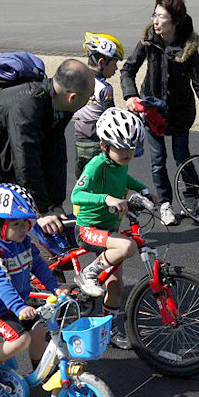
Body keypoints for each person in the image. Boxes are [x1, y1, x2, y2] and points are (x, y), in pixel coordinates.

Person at [0, 58, 93, 336]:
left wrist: (54, 204)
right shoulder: (27, 104)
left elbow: (55, 156)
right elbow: (25, 157)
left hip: (0, 162)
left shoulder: (60, 106)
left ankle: (9, 301)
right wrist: (40, 209)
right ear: (74, 97)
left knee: (14, 236)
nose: (88, 103)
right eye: (87, 99)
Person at [121, 0, 199, 226]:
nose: (155, 21)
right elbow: (128, 69)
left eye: (161, 16)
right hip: (152, 111)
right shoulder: (149, 42)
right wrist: (131, 96)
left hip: (180, 113)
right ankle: (165, 204)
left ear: (175, 21)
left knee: (182, 158)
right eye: (154, 15)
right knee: (158, 160)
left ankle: (191, 198)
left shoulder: (189, 50)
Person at [72, 108, 157, 349]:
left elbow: (124, 180)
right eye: (120, 148)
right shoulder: (96, 165)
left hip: (108, 229)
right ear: (103, 145)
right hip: (88, 228)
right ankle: (87, 274)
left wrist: (142, 189)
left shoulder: (119, 163)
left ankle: (108, 329)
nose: (127, 153)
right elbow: (77, 194)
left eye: (131, 148)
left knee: (116, 286)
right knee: (127, 245)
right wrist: (106, 199)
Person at [0, 183, 62, 394]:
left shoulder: (23, 242)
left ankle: (41, 368)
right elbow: (0, 283)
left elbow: (38, 265)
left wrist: (55, 288)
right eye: (16, 224)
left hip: (17, 304)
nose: (24, 229)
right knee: (21, 339)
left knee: (39, 329)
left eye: (25, 223)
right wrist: (19, 307)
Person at [73, 32, 124, 178]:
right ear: (101, 62)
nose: (116, 69)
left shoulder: (75, 80)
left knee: (82, 182)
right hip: (98, 146)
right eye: (115, 63)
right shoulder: (105, 88)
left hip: (79, 142)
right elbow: (111, 119)